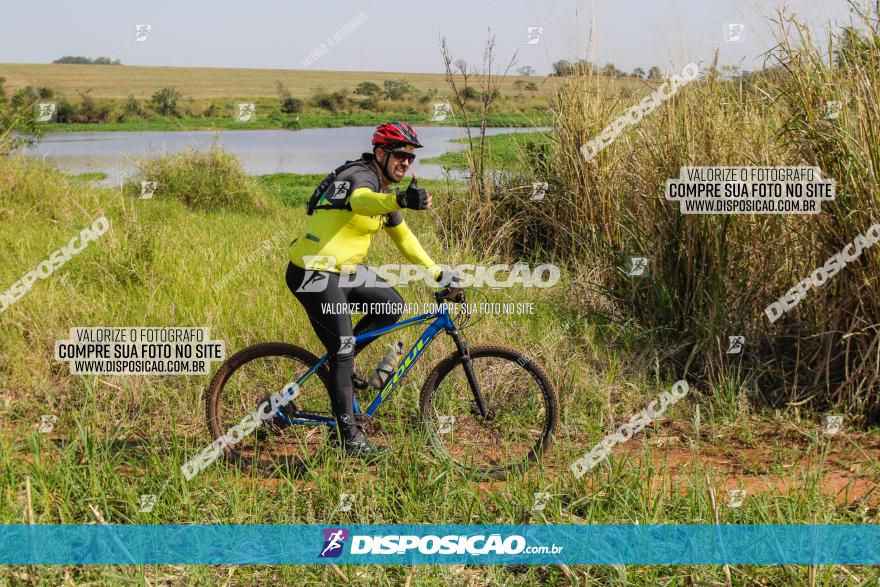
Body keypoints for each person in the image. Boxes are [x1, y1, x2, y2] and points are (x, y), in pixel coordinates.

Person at [285, 121, 444, 456]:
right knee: (342, 347)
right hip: (313, 271)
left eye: (411, 158)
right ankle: (349, 439)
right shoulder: (359, 176)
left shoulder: (384, 192)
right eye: (400, 155)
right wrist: (400, 198)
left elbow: (403, 237)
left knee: (390, 306)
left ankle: (340, 365)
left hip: (345, 272)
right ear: (380, 152)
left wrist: (437, 272)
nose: (406, 162)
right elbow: (360, 202)